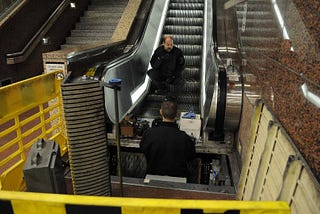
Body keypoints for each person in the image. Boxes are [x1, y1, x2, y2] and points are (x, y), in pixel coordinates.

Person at [139, 98, 196, 180]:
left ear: (160, 112)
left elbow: (143, 149)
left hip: (152, 178)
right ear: (177, 114)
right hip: (179, 181)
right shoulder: (184, 138)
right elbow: (191, 156)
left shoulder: (148, 133)